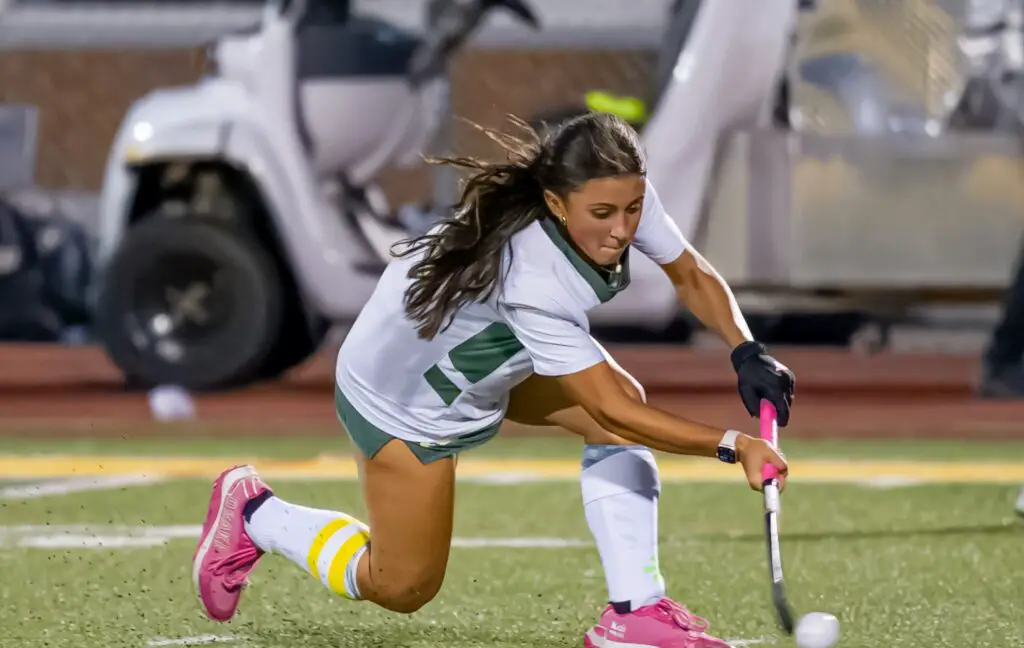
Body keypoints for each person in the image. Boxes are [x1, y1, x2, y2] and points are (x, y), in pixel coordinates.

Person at [192, 113, 796, 648]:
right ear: (558, 204)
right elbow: (610, 411)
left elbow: (688, 271)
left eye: (633, 209)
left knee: (619, 409)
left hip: (484, 364)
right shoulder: (533, 276)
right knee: (401, 585)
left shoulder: (616, 193)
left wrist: (747, 349)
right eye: (604, 215)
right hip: (402, 400)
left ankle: (633, 615)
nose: (622, 230)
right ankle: (254, 514)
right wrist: (734, 444)